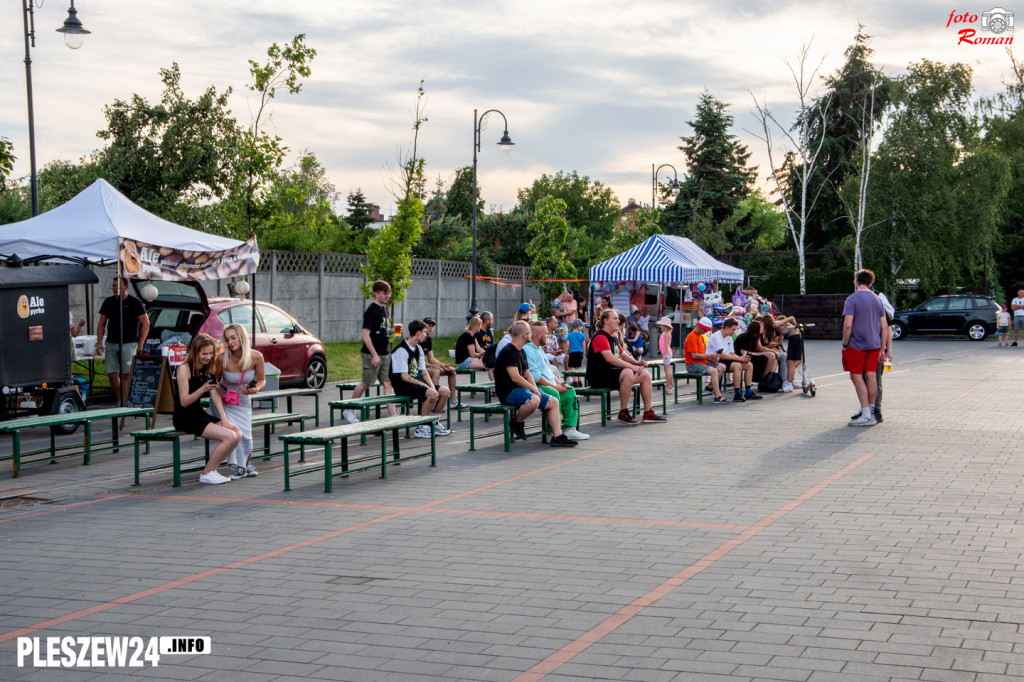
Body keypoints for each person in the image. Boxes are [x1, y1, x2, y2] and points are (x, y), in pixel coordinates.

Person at [493, 321, 578, 447]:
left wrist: (536, 390)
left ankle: (557, 436)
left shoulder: (521, 351)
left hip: (521, 389)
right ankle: (517, 422)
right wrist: (533, 389)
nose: (531, 335)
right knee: (533, 401)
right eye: (529, 333)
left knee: (553, 401)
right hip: (508, 391)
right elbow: (515, 378)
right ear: (523, 335)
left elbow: (528, 373)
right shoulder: (508, 352)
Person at [172, 334, 242, 485]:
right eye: (204, 354)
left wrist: (224, 420)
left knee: (237, 434)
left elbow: (215, 395)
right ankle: (207, 473)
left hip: (198, 414)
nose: (208, 357)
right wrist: (202, 389)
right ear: (195, 352)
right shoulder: (184, 369)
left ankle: (213, 470)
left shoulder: (208, 368)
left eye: (211, 353)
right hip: (184, 417)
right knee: (229, 437)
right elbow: (184, 401)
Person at [586, 309, 666, 423]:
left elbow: (622, 354)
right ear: (606, 321)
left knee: (645, 375)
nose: (618, 321)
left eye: (618, 319)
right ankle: (623, 412)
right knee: (628, 372)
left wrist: (636, 363)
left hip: (611, 373)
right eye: (615, 318)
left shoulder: (613, 337)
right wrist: (632, 367)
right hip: (598, 375)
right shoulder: (600, 336)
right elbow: (609, 358)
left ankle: (648, 413)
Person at [215, 323, 266, 479]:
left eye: (233, 338)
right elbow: (213, 380)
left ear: (241, 337)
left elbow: (262, 380)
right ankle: (239, 467)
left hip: (243, 400)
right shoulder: (222, 358)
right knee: (234, 431)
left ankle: (245, 465)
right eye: (227, 339)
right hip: (225, 401)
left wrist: (255, 389)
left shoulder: (256, 356)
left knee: (246, 435)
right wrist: (219, 387)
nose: (230, 342)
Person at [343, 280, 396, 424]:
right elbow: (365, 334)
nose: (387, 296)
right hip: (372, 353)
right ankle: (349, 408)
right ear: (376, 293)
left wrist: (391, 331)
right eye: (385, 293)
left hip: (385, 353)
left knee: (387, 383)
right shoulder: (371, 311)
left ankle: (393, 415)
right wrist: (374, 355)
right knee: (366, 382)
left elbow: (381, 330)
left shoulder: (384, 309)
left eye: (388, 293)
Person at [526, 321, 589, 440]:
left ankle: (569, 428)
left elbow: (548, 371)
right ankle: (552, 432)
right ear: (538, 335)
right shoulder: (528, 350)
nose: (548, 336)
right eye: (546, 333)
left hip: (549, 385)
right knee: (554, 394)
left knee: (570, 391)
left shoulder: (539, 349)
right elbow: (536, 378)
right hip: (537, 388)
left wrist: (559, 383)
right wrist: (555, 387)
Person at [390, 320, 452, 438]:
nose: (426, 335)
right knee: (431, 394)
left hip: (413, 384)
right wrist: (426, 387)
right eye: (424, 332)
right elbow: (405, 376)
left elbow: (423, 372)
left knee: (444, 391)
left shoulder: (418, 349)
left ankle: (433, 421)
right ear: (418, 333)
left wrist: (432, 386)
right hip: (402, 386)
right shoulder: (401, 350)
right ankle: (421, 427)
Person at [96, 276, 150, 409]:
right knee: (112, 373)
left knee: (126, 374)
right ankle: (120, 400)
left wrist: (140, 344)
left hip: (129, 342)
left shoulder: (135, 302)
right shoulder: (108, 302)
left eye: (117, 286)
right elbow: (101, 323)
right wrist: (99, 342)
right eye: (113, 286)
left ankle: (126, 403)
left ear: (125, 287)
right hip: (111, 342)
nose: (115, 288)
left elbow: (146, 323)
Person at [843, 269, 887, 426]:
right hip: (874, 344)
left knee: (856, 376)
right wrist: (883, 348)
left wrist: (845, 343)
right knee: (871, 376)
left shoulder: (852, 299)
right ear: (871, 283)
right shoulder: (877, 299)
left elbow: (848, 324)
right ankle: (873, 411)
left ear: (856, 281)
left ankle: (866, 413)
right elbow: (884, 325)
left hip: (857, 344)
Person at [707, 318, 761, 402]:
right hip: (716, 360)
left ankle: (748, 392)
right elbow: (722, 356)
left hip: (726, 360)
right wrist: (739, 358)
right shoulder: (717, 336)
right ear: (726, 328)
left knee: (749, 364)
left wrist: (742, 359)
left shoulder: (729, 338)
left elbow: (732, 353)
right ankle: (737, 393)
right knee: (737, 365)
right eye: (733, 329)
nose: (734, 332)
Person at [864, 287, 895, 423]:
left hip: (876, 349)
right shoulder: (859, 302)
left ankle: (876, 410)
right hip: (863, 348)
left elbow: (888, 328)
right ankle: (865, 408)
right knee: (865, 380)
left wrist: (887, 349)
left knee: (875, 379)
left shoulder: (879, 301)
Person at [683, 316, 728, 404]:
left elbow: (701, 353)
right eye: (705, 330)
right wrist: (709, 356)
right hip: (692, 364)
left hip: (700, 362)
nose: (706, 332)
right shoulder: (692, 336)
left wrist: (711, 358)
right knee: (714, 371)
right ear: (699, 327)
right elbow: (694, 355)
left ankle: (710, 387)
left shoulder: (700, 336)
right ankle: (718, 396)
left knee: (722, 366)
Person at [421, 318, 460, 407]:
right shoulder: (418, 339)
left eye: (432, 326)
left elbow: (431, 359)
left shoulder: (428, 339)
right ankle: (433, 401)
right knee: (436, 371)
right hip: (419, 369)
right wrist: (435, 367)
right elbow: (418, 363)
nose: (430, 328)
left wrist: (442, 365)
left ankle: (453, 401)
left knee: (452, 371)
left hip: (425, 366)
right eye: (428, 326)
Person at [655, 316, 675, 392]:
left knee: (667, 369)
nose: (660, 326)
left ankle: (669, 384)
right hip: (665, 353)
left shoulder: (667, 333)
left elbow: (667, 344)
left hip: (667, 353)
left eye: (661, 325)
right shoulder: (665, 332)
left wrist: (666, 354)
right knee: (666, 369)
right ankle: (671, 384)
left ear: (665, 326)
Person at [566, 319, 588, 387]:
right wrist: (583, 352)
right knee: (578, 367)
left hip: (572, 352)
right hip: (580, 352)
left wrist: (567, 353)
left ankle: (575, 381)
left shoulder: (569, 335)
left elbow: (567, 345)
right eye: (581, 326)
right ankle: (579, 381)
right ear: (578, 326)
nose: (582, 328)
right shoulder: (582, 335)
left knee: (572, 367)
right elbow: (584, 345)